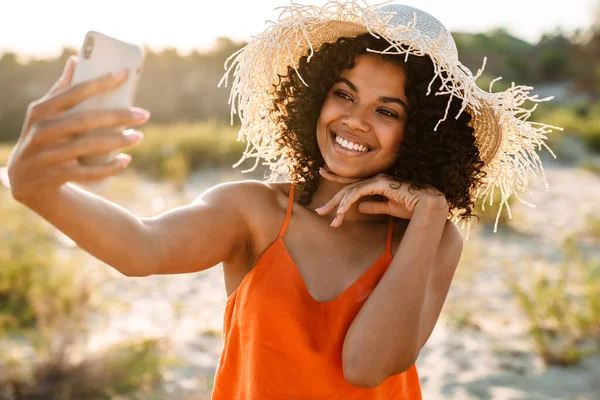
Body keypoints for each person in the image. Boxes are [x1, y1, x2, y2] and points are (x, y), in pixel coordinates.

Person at [5, 1, 558, 398]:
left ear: (423, 134)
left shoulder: (433, 237)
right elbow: (143, 249)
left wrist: (432, 213)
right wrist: (39, 190)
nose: (355, 120)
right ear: (315, 97)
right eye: (344, 94)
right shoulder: (253, 211)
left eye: (388, 111)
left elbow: (368, 367)